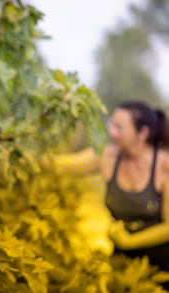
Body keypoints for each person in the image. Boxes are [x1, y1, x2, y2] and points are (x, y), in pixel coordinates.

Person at [42, 100, 169, 282]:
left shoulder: (164, 165)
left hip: (163, 263)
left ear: (142, 133)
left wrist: (130, 241)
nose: (111, 132)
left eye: (119, 127)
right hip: (123, 258)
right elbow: (58, 166)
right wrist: (14, 146)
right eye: (111, 124)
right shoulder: (107, 156)